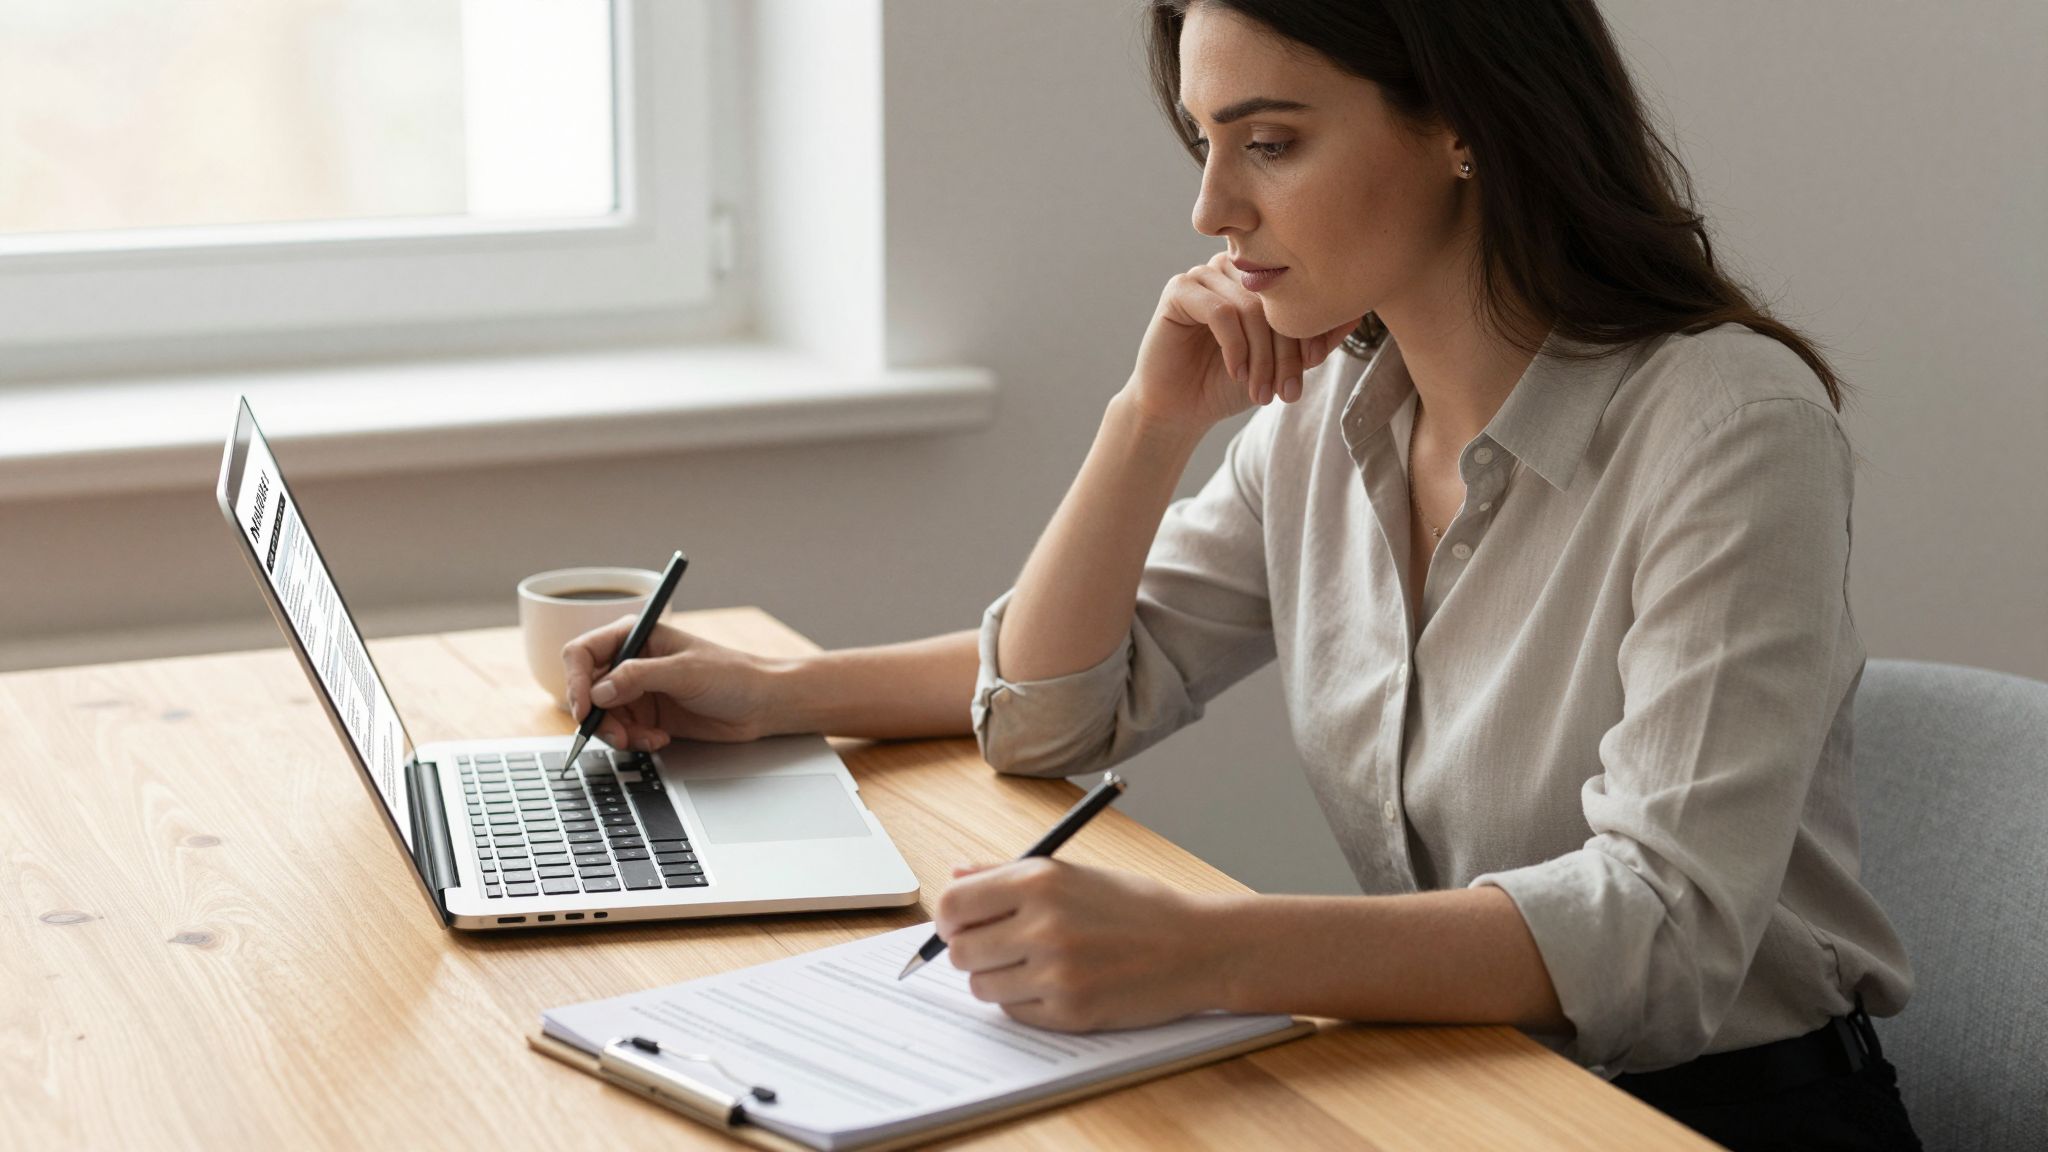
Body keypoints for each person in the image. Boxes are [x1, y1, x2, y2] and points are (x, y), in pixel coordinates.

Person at [562, 2, 1922, 1147]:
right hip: (1462, 1080)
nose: (1212, 207)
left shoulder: (1728, 429)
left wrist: (1200, 949)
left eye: (1270, 142)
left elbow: (1665, 928)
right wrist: (1143, 425)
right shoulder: (1329, 418)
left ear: (1466, 124)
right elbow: (1057, 707)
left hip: (1724, 1116)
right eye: (1205, 142)